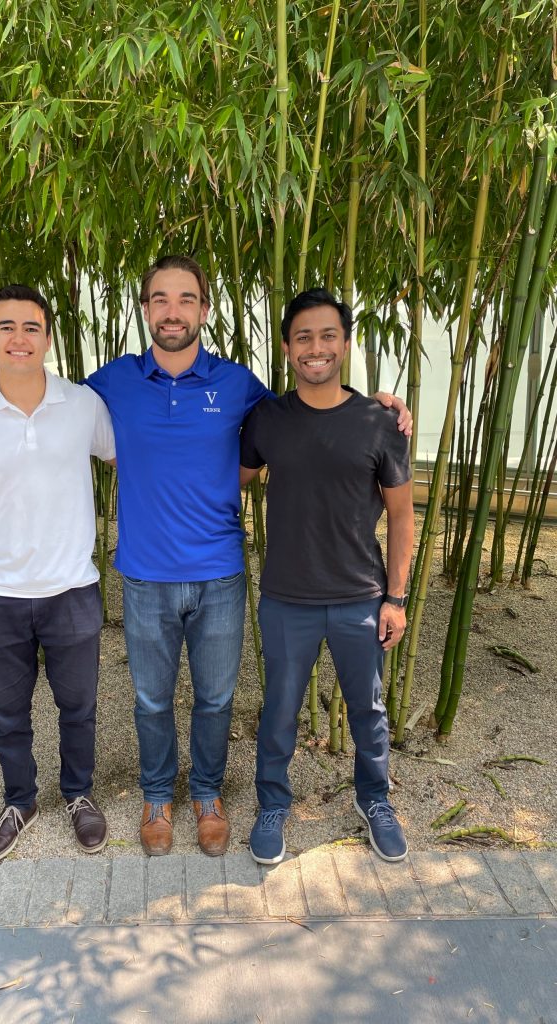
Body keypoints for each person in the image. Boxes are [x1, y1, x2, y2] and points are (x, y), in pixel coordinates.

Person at [0, 257, 411, 859]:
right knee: (153, 700)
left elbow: (315, 407)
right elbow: (34, 385)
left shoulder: (240, 386)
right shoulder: (109, 384)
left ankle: (208, 795)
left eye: (186, 299)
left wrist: (382, 406)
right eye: (160, 299)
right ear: (145, 309)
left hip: (220, 575)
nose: (173, 311)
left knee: (215, 699)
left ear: (204, 311)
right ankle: (157, 796)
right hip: (144, 575)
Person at [0, 284, 116, 864]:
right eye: (6, 327)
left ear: (47, 337)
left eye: (31, 327)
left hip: (73, 588)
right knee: (6, 713)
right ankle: (20, 801)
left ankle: (79, 794)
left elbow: (132, 457)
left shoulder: (84, 405)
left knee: (78, 705)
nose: (19, 338)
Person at [239, 288, 414, 865]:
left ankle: (375, 800)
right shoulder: (267, 418)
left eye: (328, 335)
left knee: (368, 710)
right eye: (303, 337)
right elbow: (233, 478)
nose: (316, 348)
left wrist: (396, 598)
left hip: (360, 597)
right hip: (287, 597)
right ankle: (272, 805)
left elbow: (402, 513)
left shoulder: (378, 421)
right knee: (280, 710)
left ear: (345, 342)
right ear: (288, 347)